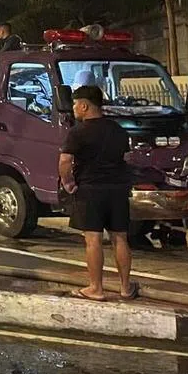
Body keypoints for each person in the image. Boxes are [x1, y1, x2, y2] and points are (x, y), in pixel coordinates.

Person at [59, 85, 138, 302]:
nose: (74, 108)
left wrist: (68, 182)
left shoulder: (77, 132)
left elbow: (65, 161)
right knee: (120, 238)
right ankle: (125, 287)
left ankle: (96, 288)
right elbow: (127, 159)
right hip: (117, 190)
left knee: (93, 240)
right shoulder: (118, 129)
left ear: (84, 106)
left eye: (75, 104)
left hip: (91, 190)